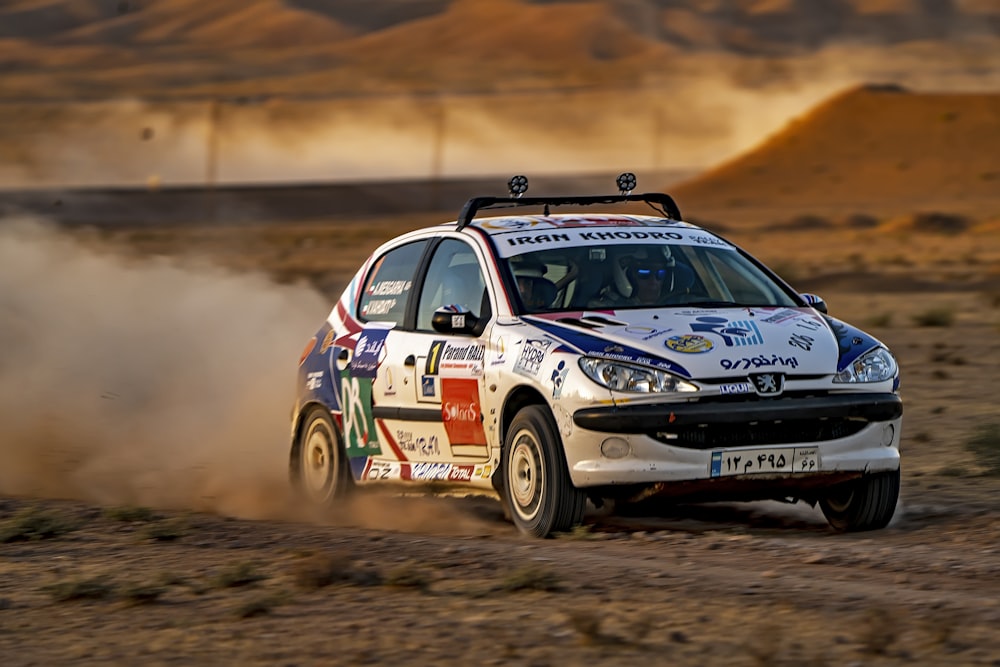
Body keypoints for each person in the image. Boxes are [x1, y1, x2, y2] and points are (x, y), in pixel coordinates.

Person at [589, 246, 684, 308]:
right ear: (627, 276)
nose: (653, 281)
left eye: (661, 274)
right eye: (644, 274)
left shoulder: (681, 305)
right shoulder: (601, 309)